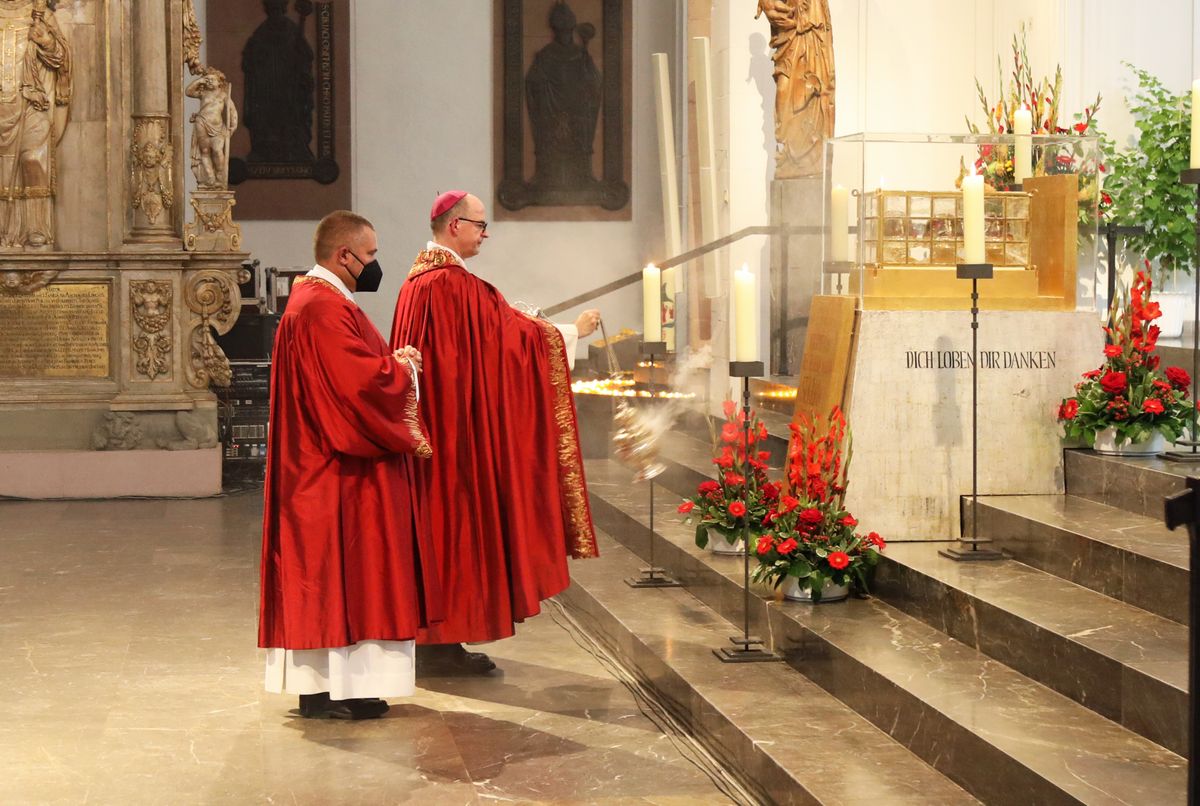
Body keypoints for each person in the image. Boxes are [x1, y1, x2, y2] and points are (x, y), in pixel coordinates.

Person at [390, 191, 600, 674]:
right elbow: (511, 340)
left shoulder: (416, 283)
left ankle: (437, 640)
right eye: (481, 226)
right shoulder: (452, 287)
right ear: (454, 225)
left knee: (437, 528)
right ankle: (441, 643)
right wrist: (572, 331)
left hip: (435, 430)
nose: (485, 235)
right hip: (458, 438)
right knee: (458, 525)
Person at [258, 210, 442, 719]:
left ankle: (323, 689)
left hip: (315, 466)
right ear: (345, 256)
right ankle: (346, 689)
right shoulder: (321, 306)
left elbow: (349, 368)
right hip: (337, 472)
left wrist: (387, 360)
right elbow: (358, 387)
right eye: (373, 255)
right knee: (350, 575)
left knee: (327, 579)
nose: (376, 264)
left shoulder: (318, 300)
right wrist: (401, 368)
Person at [0, 0, 72, 248]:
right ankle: (4, 231)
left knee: (33, 158)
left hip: (34, 103)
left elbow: (62, 60)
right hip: (3, 104)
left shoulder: (40, 15)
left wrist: (46, 42)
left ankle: (36, 228)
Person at [186, 68, 237, 189]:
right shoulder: (203, 93)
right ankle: (210, 179)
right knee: (204, 152)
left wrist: (233, 125)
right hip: (201, 122)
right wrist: (199, 81)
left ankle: (220, 179)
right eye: (207, 80)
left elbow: (232, 110)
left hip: (218, 128)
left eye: (211, 79)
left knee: (217, 151)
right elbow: (188, 92)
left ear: (219, 82)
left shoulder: (223, 95)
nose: (208, 82)